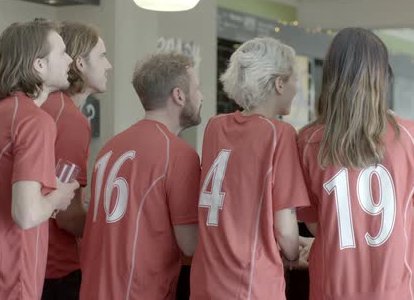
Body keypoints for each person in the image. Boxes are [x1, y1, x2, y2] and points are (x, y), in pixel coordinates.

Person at [296, 28, 414, 300]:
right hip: (399, 290)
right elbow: (413, 216)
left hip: (333, 288)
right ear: (382, 77)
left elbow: (315, 224)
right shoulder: (412, 135)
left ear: (330, 75)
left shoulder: (307, 140)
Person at [0, 19, 78, 300]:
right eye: (62, 52)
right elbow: (26, 214)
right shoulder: (34, 121)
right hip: (6, 281)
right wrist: (58, 197)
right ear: (39, 65)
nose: (70, 60)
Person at [189, 37, 310, 300]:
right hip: (252, 283)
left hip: (206, 279)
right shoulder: (280, 133)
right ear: (279, 83)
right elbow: (285, 227)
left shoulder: (214, 127)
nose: (296, 89)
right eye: (294, 81)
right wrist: (292, 253)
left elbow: (239, 209)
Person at [79, 52, 203, 300]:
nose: (202, 96)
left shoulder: (110, 147)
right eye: (197, 88)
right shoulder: (179, 154)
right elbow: (191, 244)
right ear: (178, 95)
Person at [40, 21, 112, 300]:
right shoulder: (70, 119)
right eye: (102, 57)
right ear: (80, 63)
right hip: (55, 271)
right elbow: (68, 217)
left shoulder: (46, 107)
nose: (109, 66)